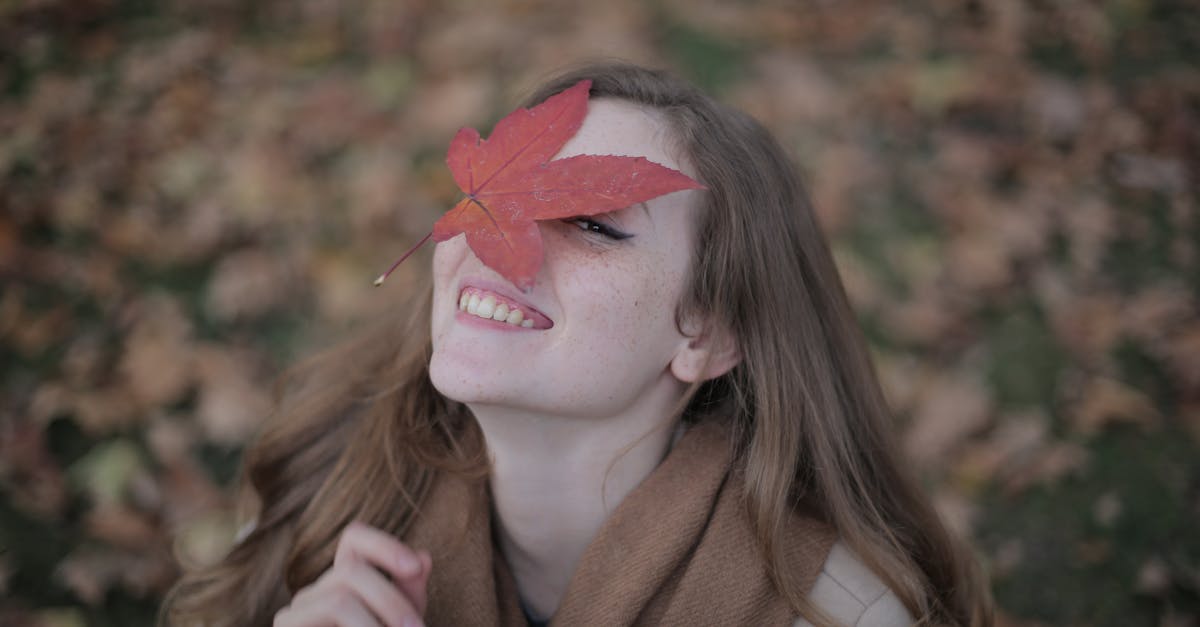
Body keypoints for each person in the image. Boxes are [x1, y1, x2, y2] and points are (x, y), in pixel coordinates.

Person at [163, 62, 992, 626]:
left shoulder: (842, 611)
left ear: (707, 333)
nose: (500, 244)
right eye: (498, 198)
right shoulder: (316, 494)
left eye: (594, 224)